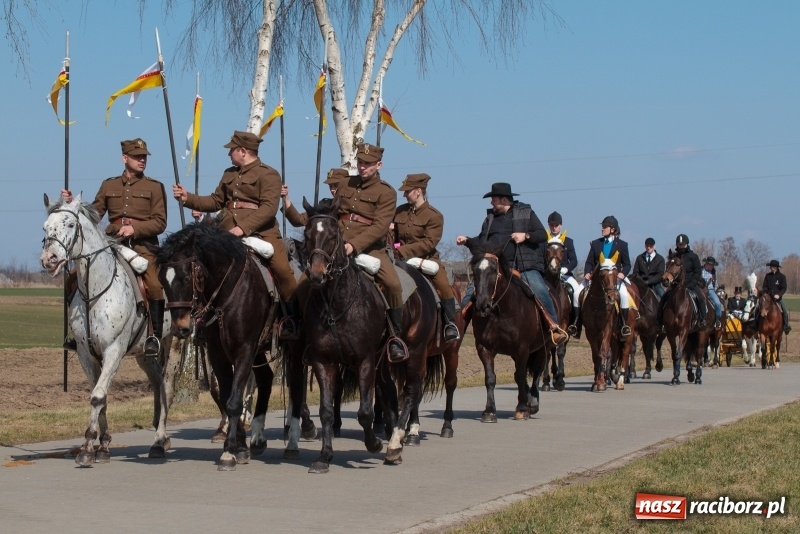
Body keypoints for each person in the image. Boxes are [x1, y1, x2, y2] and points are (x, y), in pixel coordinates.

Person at [172, 130, 299, 338]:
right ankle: (204, 320)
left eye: (231, 150)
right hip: (226, 234)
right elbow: (214, 201)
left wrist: (242, 228)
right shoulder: (229, 174)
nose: (228, 154)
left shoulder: (269, 174)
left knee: (284, 272)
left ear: (243, 151)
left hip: (261, 233)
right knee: (201, 270)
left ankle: (292, 320)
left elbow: (268, 208)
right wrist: (188, 198)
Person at [61, 138, 167, 357]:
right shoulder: (109, 185)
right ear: (124, 158)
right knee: (73, 279)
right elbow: (94, 215)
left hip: (142, 247)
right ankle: (77, 333)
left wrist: (134, 229)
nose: (142, 160)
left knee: (155, 285)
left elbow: (160, 222)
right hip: (112, 245)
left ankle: (154, 336)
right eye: (138, 156)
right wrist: (72, 204)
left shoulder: (154, 187)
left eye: (144, 157)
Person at [456, 182, 568, 345]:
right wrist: (467, 240)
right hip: (496, 267)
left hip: (524, 266)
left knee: (539, 289)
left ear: (503, 199)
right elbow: (481, 240)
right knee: (471, 293)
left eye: (493, 199)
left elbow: (542, 235)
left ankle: (554, 328)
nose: (491, 203)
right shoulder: (490, 218)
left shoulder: (526, 212)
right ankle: (457, 331)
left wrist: (526, 236)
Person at [331, 142, 409, 362]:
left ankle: (395, 337)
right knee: (311, 279)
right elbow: (335, 213)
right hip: (338, 244)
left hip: (371, 248)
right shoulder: (345, 183)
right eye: (360, 162)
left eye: (368, 164)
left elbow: (380, 227)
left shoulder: (387, 192)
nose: (362, 167)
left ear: (379, 165)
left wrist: (354, 245)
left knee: (393, 284)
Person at [393, 173, 459, 342]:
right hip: (398, 259)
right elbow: (393, 236)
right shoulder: (399, 212)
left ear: (418, 191)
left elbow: (429, 243)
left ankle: (450, 324)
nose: (404, 195)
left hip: (427, 259)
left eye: (407, 191)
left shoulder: (434, 215)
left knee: (444, 285)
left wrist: (404, 251)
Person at [583, 215, 636, 337]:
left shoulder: (622, 245)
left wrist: (623, 273)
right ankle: (576, 323)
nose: (602, 229)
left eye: (605, 227)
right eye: (602, 227)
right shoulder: (596, 243)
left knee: (623, 295)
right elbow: (589, 262)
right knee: (577, 294)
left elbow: (627, 264)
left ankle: (624, 325)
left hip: (615, 279)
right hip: (597, 280)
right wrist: (587, 272)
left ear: (613, 229)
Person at [543, 211, 582, 338]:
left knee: (576, 292)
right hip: (548, 275)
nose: (554, 227)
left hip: (565, 275)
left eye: (556, 225)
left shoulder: (568, 241)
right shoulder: (544, 241)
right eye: (552, 225)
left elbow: (574, 260)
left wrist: (565, 269)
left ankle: (576, 324)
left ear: (560, 225)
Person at [658, 234, 708, 328]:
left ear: (687, 244)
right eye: (679, 244)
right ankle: (660, 321)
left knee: (700, 298)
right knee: (664, 298)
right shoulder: (674, 256)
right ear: (677, 245)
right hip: (676, 285)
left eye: (683, 244)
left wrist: (693, 283)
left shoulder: (693, 256)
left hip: (691, 283)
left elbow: (698, 271)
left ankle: (703, 319)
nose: (681, 246)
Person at [281, 167, 347, 227]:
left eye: (336, 185)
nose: (332, 190)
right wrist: (286, 197)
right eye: (330, 186)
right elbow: (299, 220)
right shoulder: (326, 206)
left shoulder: (355, 205)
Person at [762, 259, 791, 335]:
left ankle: (785, 326)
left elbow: (784, 288)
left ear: (776, 267)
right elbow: (764, 286)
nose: (771, 268)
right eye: (770, 267)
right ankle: (756, 325)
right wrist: (765, 293)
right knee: (759, 308)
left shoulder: (782, 277)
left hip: (778, 299)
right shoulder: (767, 276)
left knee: (785, 311)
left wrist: (779, 295)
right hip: (768, 298)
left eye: (772, 266)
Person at [702, 256, 723, 329]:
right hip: (701, 289)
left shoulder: (713, 272)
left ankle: (718, 319)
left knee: (717, 303)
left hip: (711, 290)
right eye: (711, 265)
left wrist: (716, 290)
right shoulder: (701, 270)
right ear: (707, 264)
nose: (712, 266)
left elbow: (716, 284)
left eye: (713, 265)